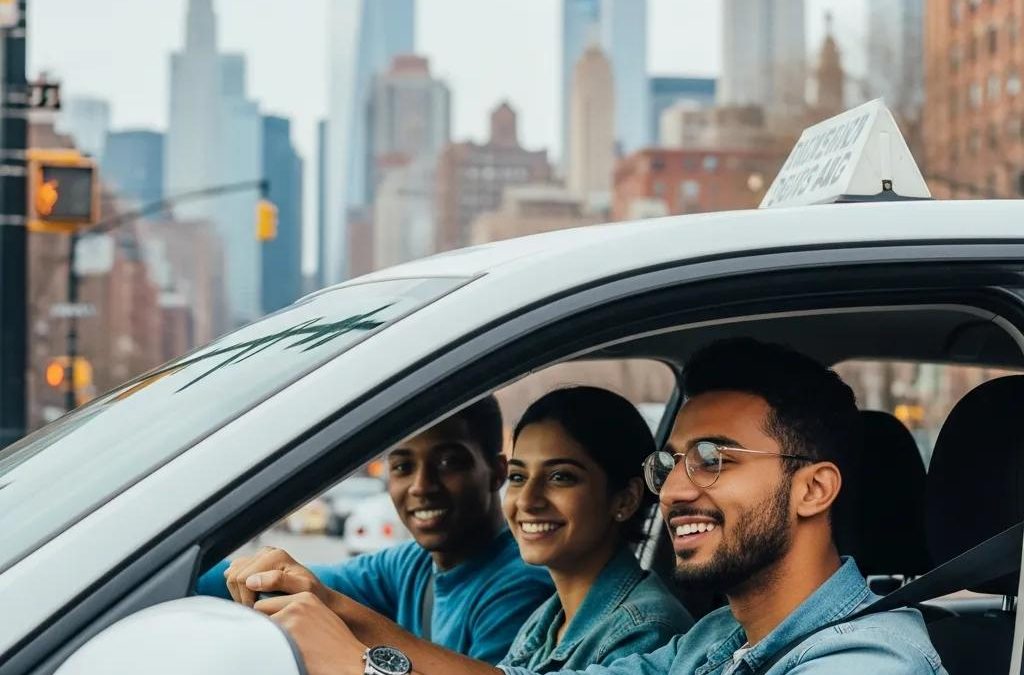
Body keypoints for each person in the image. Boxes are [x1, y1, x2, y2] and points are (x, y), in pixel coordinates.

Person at [250, 338, 947, 675]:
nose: (675, 489)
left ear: (814, 489)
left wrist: (362, 669)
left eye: (713, 458)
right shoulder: (715, 642)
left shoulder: (868, 662)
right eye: (670, 462)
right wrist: (337, 615)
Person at [197, 395, 553, 664]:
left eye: (448, 462)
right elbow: (301, 581)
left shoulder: (519, 585)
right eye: (402, 466)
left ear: (497, 472)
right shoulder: (413, 564)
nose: (421, 486)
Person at [499, 387, 692, 671]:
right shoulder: (548, 618)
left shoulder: (646, 629)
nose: (527, 500)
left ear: (625, 499)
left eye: (560, 477)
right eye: (517, 477)